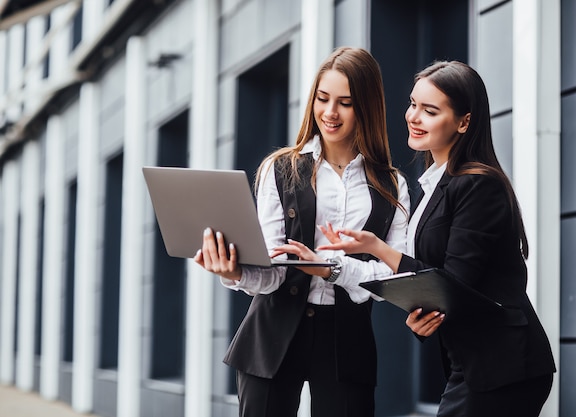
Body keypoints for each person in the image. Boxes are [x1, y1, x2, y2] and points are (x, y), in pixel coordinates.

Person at [317, 60, 556, 417]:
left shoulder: (478, 185)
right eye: (413, 104)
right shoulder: (434, 185)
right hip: (475, 363)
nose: (414, 117)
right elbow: (439, 281)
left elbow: (453, 284)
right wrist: (419, 312)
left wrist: (378, 249)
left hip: (503, 365)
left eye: (430, 110)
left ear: (464, 122)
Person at [194, 46, 410, 417]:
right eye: (323, 99)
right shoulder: (280, 169)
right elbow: (273, 268)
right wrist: (236, 272)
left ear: (367, 107)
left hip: (348, 339)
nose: (330, 113)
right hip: (273, 332)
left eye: (345, 102)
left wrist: (334, 269)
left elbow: (397, 274)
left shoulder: (392, 185)